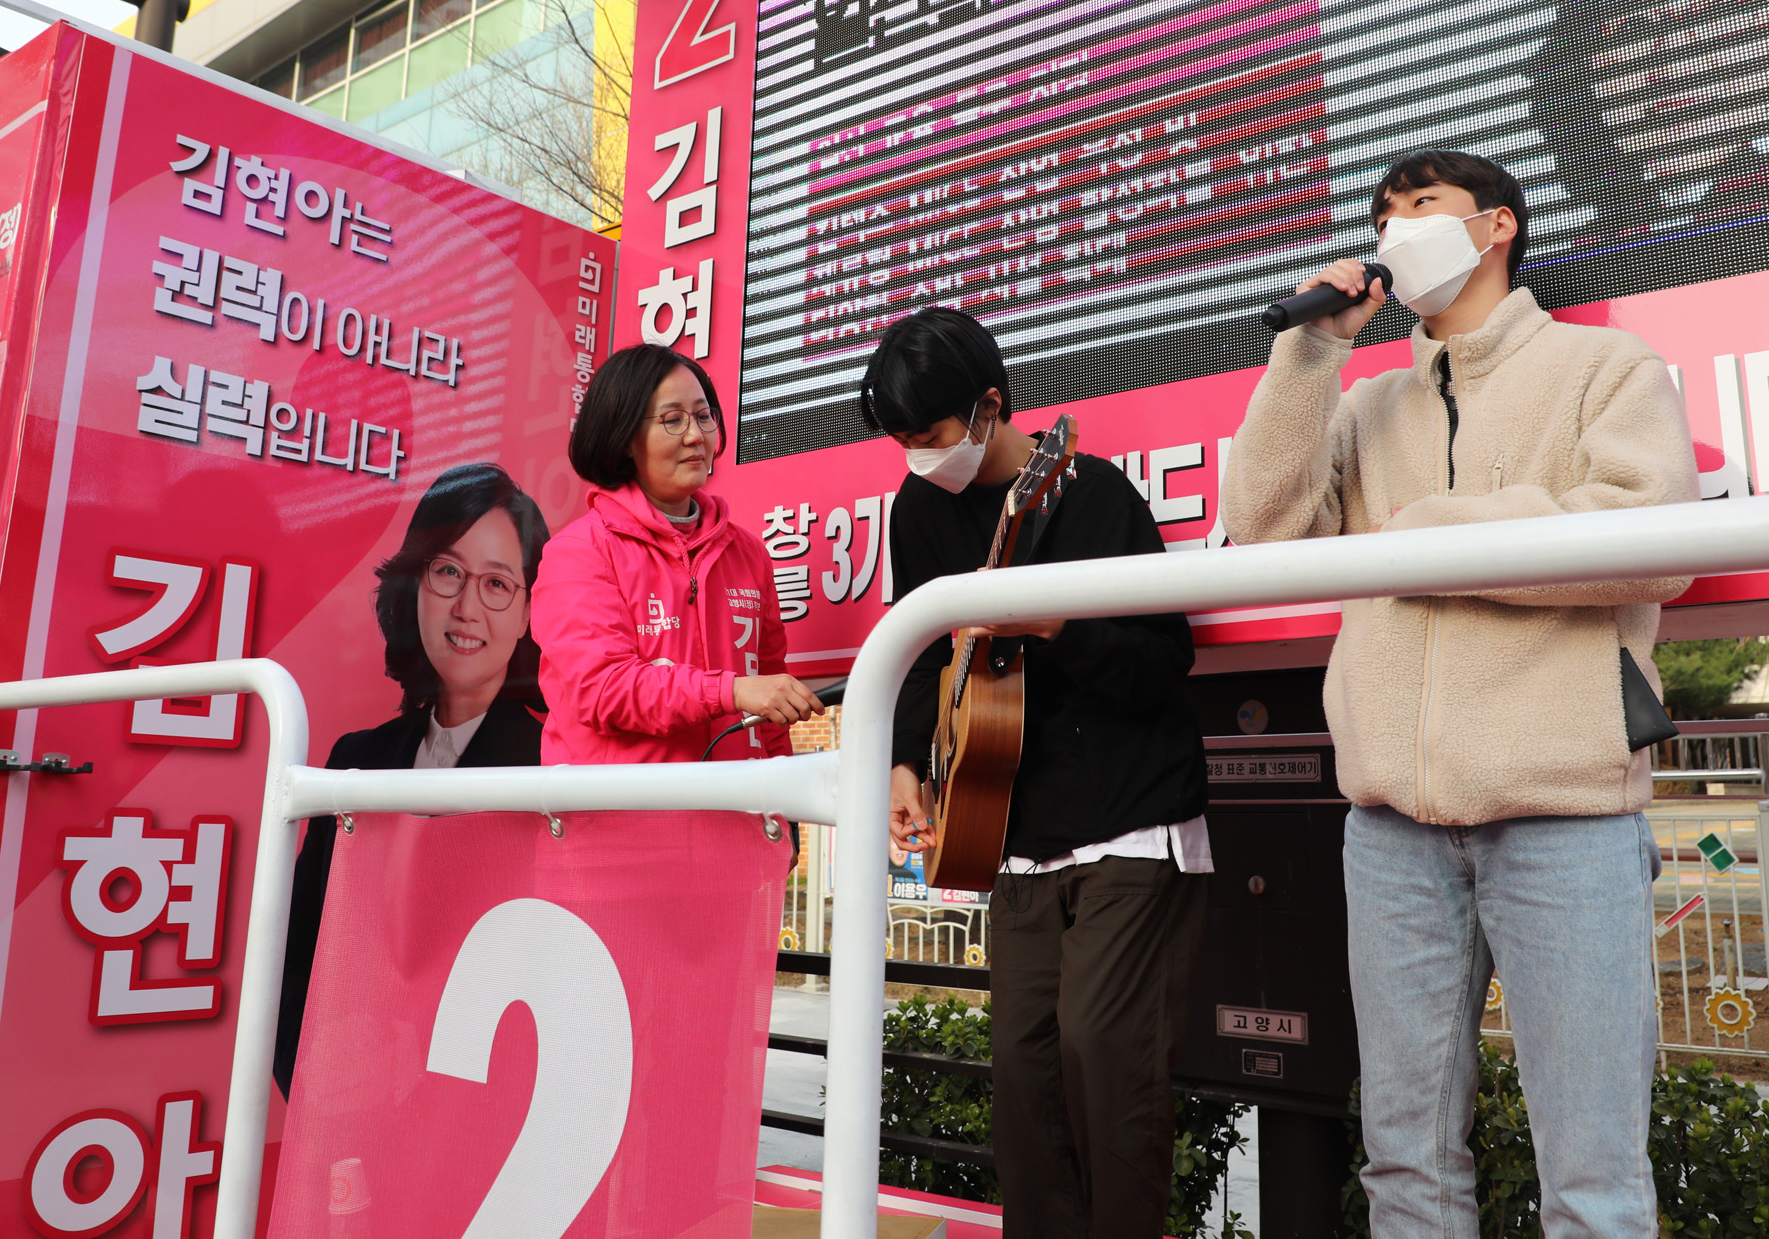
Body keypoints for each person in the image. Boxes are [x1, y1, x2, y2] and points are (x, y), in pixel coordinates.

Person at [1220, 150, 1699, 1235]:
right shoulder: (1367, 403)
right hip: (1390, 825)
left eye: (1421, 206)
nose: (1397, 229)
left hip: (1567, 812)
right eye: (1384, 215)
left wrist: (1424, 537)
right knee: (1403, 1160)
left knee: (1591, 1174)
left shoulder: (1603, 364)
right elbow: (1263, 526)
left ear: (1495, 226)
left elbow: (1650, 536)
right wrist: (1310, 350)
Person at [864, 307, 1211, 1239]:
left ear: (990, 405)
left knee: (1105, 1055)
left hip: (1132, 825)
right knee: (1023, 1079)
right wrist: (906, 762)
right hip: (1010, 832)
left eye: (930, 432)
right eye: (901, 439)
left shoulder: (1092, 495)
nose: (918, 455)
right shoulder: (918, 511)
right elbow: (922, 652)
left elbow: (1165, 659)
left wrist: (1056, 624)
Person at [274, 462, 550, 1095]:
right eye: (448, 571)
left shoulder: (552, 768)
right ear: (415, 582)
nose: (467, 608)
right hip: (346, 1091)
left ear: (529, 611)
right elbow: (301, 948)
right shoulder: (356, 758)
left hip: (484, 1101)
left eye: (497, 584)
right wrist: (310, 1080)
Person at [531, 342, 823, 767]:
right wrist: (731, 691)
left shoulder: (748, 554)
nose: (695, 435)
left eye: (704, 416)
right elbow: (602, 690)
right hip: (621, 807)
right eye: (672, 420)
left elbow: (771, 708)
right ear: (623, 436)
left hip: (736, 804)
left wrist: (779, 799)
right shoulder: (578, 552)